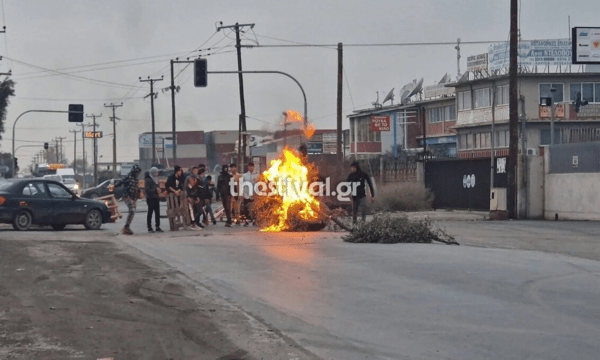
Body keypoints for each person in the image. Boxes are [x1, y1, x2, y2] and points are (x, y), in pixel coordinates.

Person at [346, 161, 375, 225]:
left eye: (353, 168)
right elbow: (346, 185)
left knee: (363, 211)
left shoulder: (363, 174)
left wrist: (372, 196)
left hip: (362, 196)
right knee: (354, 212)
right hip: (354, 197)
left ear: (357, 168)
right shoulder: (351, 175)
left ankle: (363, 223)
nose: (352, 169)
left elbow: (370, 185)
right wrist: (348, 193)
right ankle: (354, 224)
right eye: (351, 168)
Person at [121, 164, 142, 235]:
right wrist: (114, 185)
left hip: (133, 198)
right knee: (132, 210)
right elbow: (121, 181)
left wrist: (139, 193)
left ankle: (127, 226)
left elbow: (136, 188)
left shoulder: (136, 179)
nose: (137, 174)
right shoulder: (128, 177)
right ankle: (126, 227)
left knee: (132, 212)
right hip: (127, 196)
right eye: (136, 172)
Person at [145, 167, 163, 233]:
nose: (157, 174)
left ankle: (157, 226)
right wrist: (155, 190)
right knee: (150, 212)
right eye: (156, 172)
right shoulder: (148, 180)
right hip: (150, 198)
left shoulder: (156, 179)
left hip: (156, 197)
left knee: (157, 212)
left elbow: (157, 187)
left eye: (157, 172)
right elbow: (147, 190)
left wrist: (159, 190)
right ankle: (149, 227)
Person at [241, 162, 258, 226]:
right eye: (250, 166)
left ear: (254, 167)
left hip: (254, 194)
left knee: (254, 208)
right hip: (246, 194)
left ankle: (254, 220)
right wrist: (242, 193)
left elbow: (258, 185)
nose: (251, 168)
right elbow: (242, 185)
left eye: (252, 166)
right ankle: (247, 221)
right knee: (246, 208)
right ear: (248, 167)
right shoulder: (244, 175)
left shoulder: (256, 175)